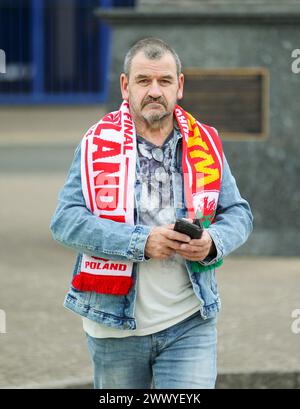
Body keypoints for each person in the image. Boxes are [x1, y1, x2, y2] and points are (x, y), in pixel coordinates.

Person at [50, 37, 253, 389]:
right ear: (126, 86)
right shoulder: (96, 142)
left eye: (165, 81)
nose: (155, 91)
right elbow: (65, 221)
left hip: (191, 320)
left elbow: (238, 213)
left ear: (180, 85)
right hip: (113, 326)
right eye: (144, 81)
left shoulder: (204, 141)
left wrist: (212, 242)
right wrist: (139, 242)